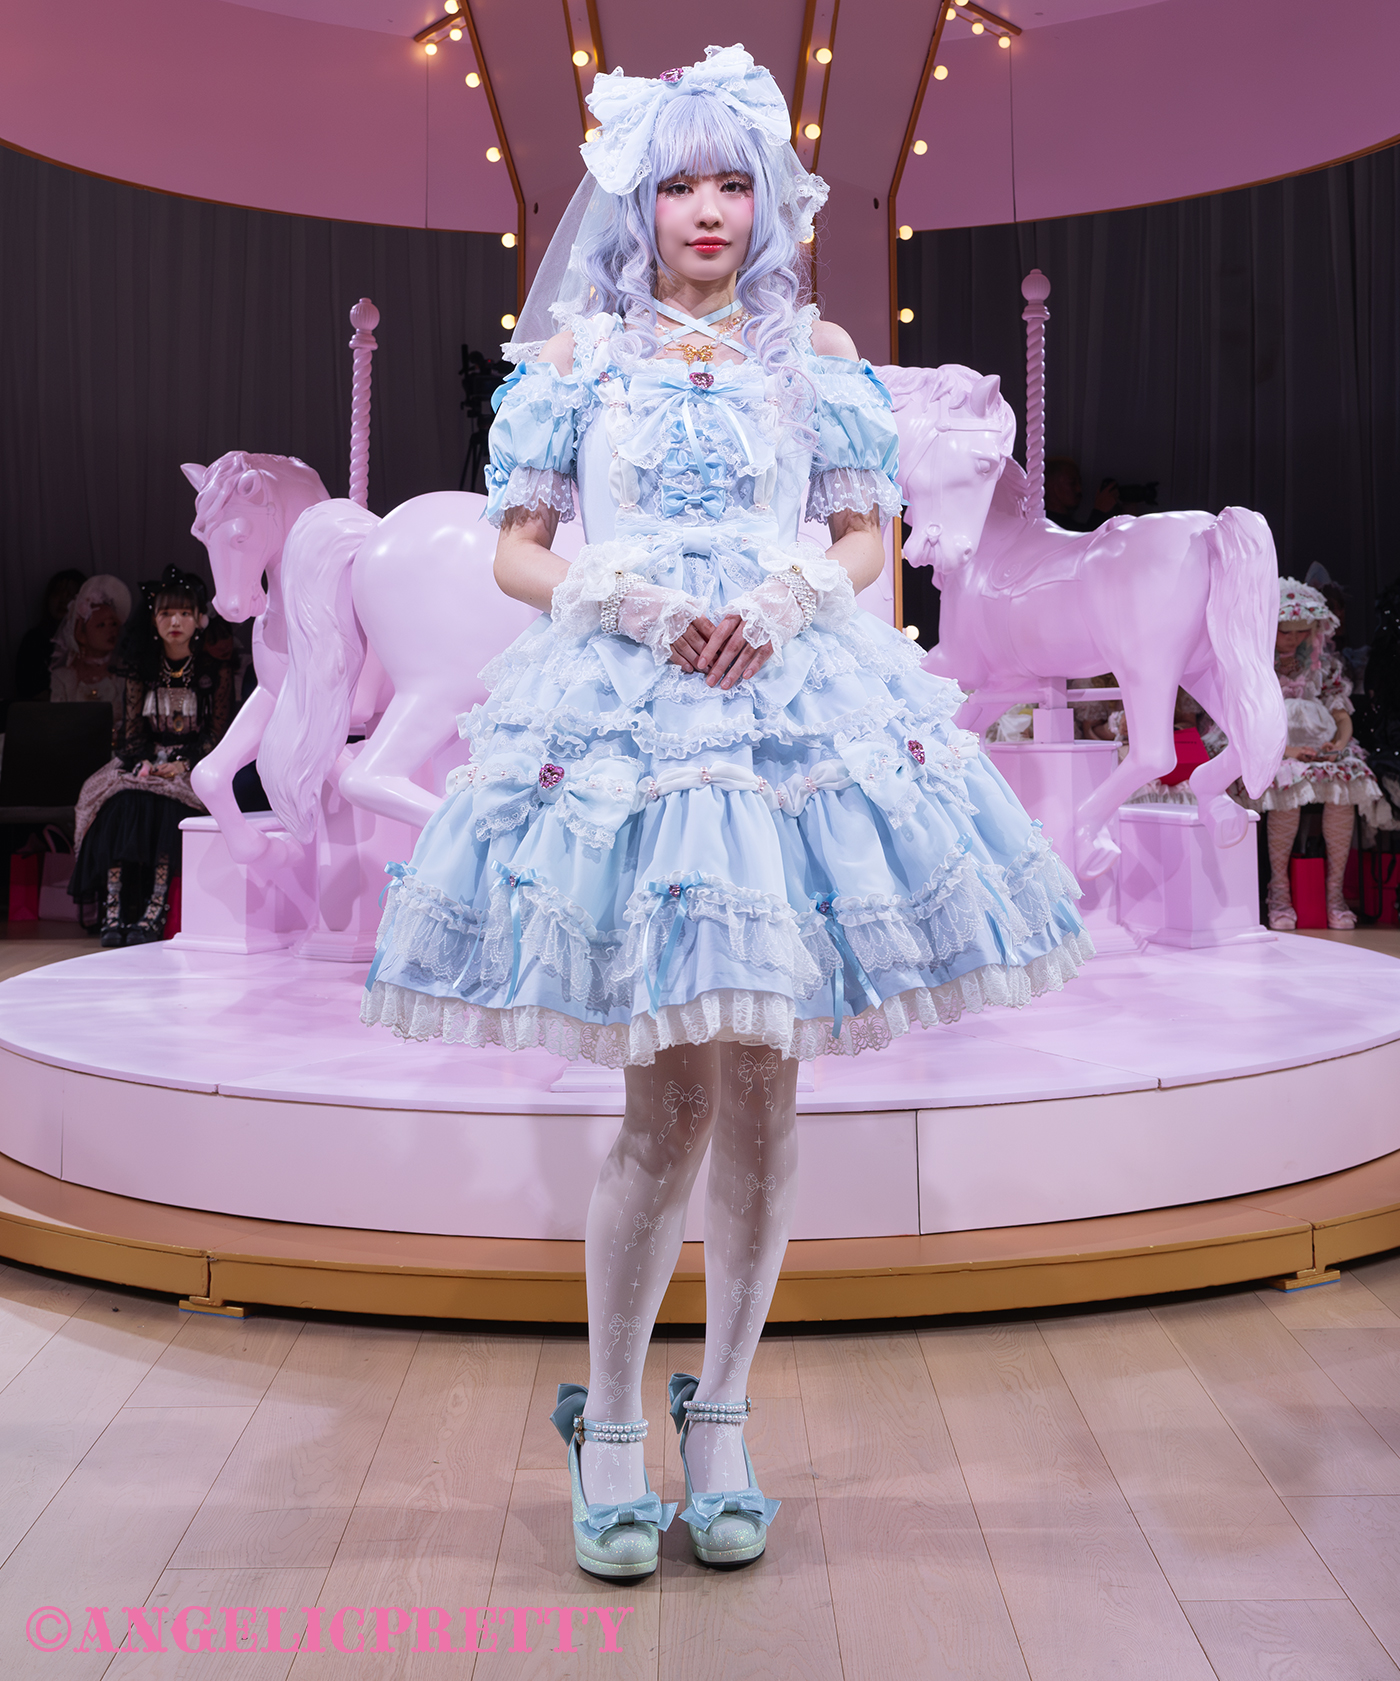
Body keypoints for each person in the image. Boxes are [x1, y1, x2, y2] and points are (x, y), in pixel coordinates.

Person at [362, 45, 1092, 1581]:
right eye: (681, 183)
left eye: (733, 182)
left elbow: (865, 534)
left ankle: (728, 1415)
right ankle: (613, 1423)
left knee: (765, 1098)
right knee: (664, 1107)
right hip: (634, 718)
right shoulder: (579, 356)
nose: (708, 208)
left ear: (768, 199)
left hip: (785, 710)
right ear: (638, 201)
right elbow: (516, 550)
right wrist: (625, 598)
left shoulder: (811, 348)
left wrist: (786, 596)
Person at [70, 566, 232, 945]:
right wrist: (142, 761)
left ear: (199, 619)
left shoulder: (214, 671)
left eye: (184, 613)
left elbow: (217, 734)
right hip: (145, 759)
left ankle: (154, 911)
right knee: (118, 803)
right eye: (165, 613)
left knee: (167, 809)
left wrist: (182, 764)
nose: (174, 622)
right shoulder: (141, 667)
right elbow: (132, 732)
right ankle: (114, 911)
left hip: (193, 764)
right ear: (154, 619)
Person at [1237, 578, 1388, 930]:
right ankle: (1279, 891)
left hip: (1320, 748)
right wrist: (1287, 750)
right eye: (1285, 632)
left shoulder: (1323, 665)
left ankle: (1334, 893)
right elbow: (1248, 721)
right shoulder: (1257, 667)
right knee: (1287, 789)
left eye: (1302, 631)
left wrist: (1339, 744)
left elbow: (1340, 713)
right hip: (1273, 749)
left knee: (1342, 789)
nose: (1293, 639)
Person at [48, 575, 132, 713]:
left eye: (113, 624)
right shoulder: (63, 677)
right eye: (101, 625)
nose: (111, 630)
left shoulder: (125, 672)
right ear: (81, 633)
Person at [11, 568, 87, 702]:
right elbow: (27, 688)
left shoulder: (91, 641)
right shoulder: (34, 641)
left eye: (70, 594)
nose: (63, 599)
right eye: (57, 592)